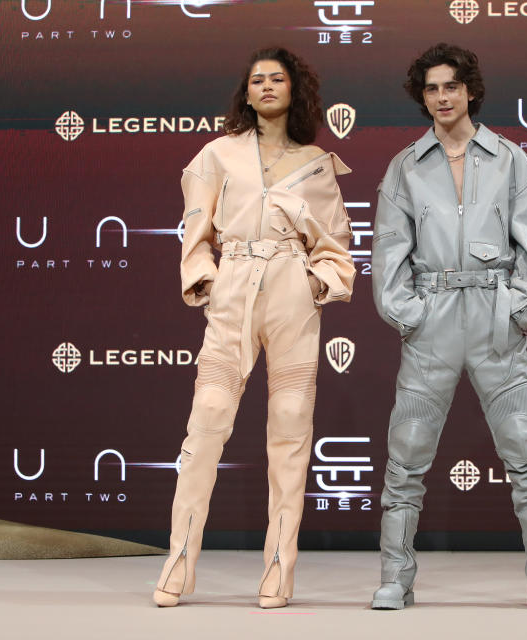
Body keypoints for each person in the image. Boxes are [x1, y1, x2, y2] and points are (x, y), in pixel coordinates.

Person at [153, 46, 355, 609]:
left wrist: (316, 285)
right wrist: (209, 280)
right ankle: (177, 562)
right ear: (246, 93)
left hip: (292, 289)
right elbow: (195, 231)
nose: (267, 87)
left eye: (278, 79)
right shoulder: (217, 154)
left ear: (295, 90)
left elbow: (336, 245)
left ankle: (277, 569)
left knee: (290, 429)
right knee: (207, 422)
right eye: (257, 80)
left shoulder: (316, 162)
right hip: (234, 283)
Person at [369, 43, 527, 611]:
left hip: (493, 319)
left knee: (525, 453)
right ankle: (394, 578)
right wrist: (410, 314)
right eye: (431, 89)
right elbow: (388, 251)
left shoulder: (510, 159)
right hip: (432, 319)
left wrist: (517, 310)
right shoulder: (406, 166)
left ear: (470, 90)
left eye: (451, 86)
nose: (442, 97)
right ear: (422, 97)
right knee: (406, 456)